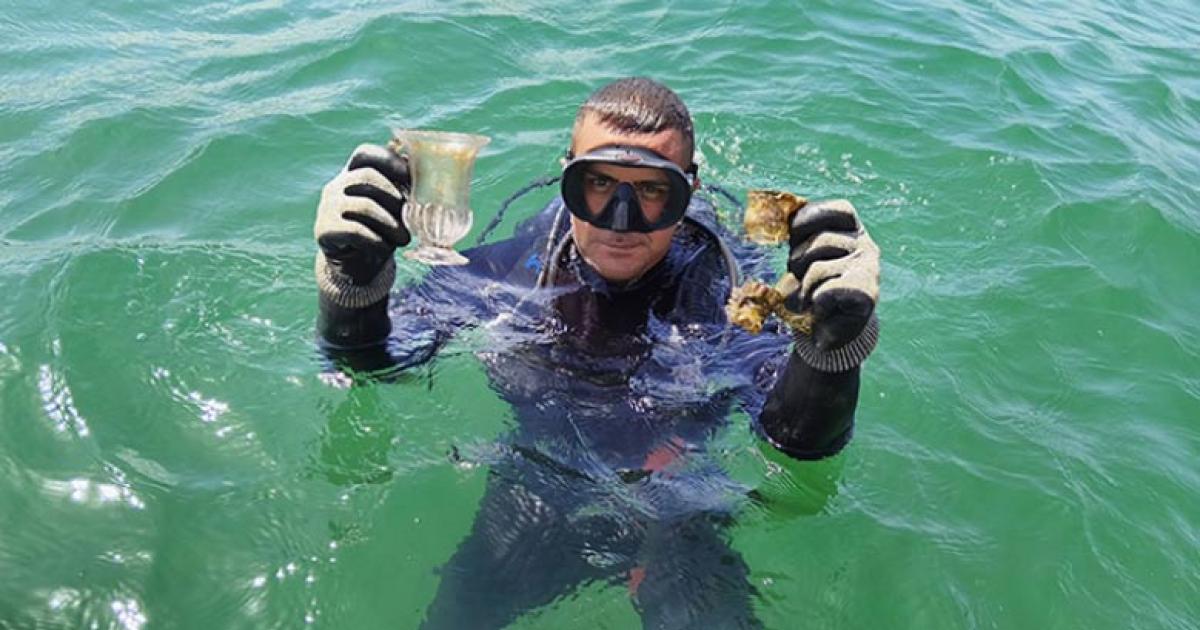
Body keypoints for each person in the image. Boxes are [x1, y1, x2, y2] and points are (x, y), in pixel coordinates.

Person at [312, 78, 880, 629]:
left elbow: (796, 443)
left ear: (690, 192)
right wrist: (353, 287)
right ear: (568, 179)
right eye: (599, 185)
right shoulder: (514, 273)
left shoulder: (725, 293)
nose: (622, 220)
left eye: (654, 190)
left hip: (678, 504)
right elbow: (375, 364)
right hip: (535, 489)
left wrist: (830, 349)